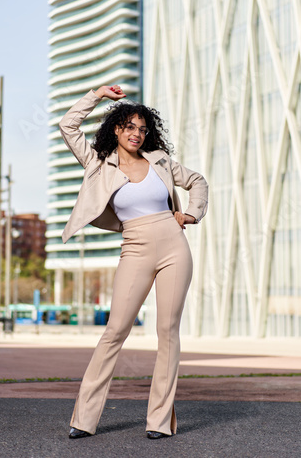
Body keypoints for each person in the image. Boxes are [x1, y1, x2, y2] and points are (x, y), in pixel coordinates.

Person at [58, 84, 209, 440]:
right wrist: (96, 94)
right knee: (115, 331)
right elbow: (68, 126)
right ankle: (84, 418)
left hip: (174, 246)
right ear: (116, 128)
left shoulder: (160, 161)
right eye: (129, 127)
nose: (136, 134)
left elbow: (198, 181)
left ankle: (158, 421)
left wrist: (191, 214)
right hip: (135, 246)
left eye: (142, 129)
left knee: (167, 333)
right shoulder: (98, 162)